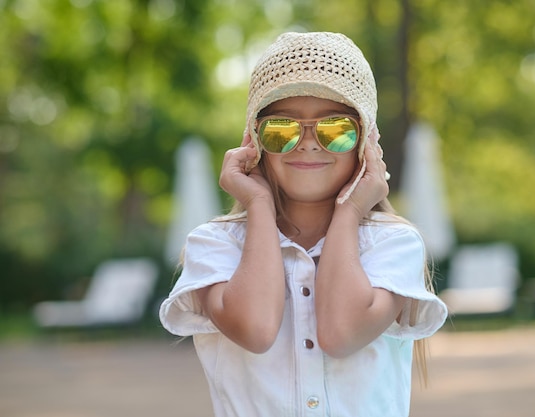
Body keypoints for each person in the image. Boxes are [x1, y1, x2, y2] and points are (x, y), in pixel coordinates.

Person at [159, 31, 448, 417]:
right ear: (255, 140)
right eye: (282, 129)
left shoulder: (393, 244)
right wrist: (258, 203)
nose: (309, 143)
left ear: (366, 142)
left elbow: (340, 334)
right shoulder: (215, 245)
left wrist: (350, 212)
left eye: (336, 129)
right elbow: (256, 330)